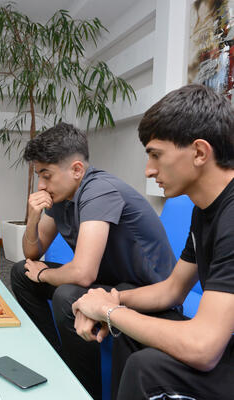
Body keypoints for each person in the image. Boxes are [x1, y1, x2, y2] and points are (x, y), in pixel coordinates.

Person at [72, 84, 234, 399]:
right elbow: (172, 290)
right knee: (130, 332)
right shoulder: (204, 211)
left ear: (199, 153)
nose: (148, 171)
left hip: (219, 346)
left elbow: (203, 347)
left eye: (156, 155)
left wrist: (109, 311)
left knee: (147, 368)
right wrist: (112, 299)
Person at [10, 122, 176, 399]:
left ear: (77, 170)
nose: (41, 185)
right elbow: (32, 256)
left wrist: (44, 275)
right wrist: (33, 219)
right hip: (110, 280)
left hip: (146, 288)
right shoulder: (61, 196)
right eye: (39, 175)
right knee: (20, 273)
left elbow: (83, 274)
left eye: (46, 175)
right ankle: (54, 358)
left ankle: (84, 391)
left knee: (68, 296)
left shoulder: (99, 190)